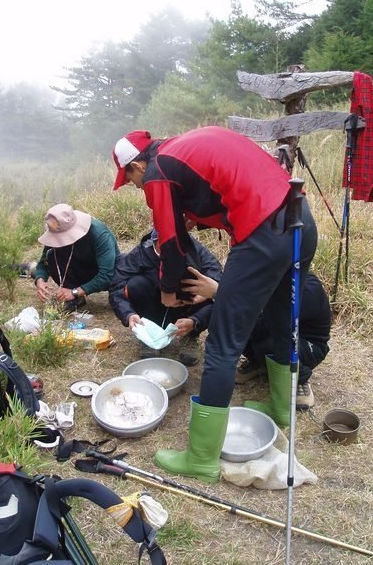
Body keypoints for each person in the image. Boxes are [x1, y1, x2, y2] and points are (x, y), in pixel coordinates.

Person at [112, 126, 318, 484]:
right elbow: (222, 186)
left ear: (137, 165)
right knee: (281, 316)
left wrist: (167, 289)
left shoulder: (157, 172)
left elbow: (171, 242)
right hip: (299, 218)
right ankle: (282, 409)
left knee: (223, 344)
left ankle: (201, 459)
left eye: (128, 177)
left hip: (261, 234)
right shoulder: (183, 147)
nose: (133, 185)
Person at [182, 268, 331, 409]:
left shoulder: (308, 289)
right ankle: (259, 363)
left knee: (266, 343)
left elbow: (270, 323)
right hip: (275, 329)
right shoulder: (266, 280)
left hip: (308, 345)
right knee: (239, 325)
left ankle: (300, 379)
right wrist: (196, 321)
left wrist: (220, 294)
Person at [109, 229, 222, 366]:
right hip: (156, 304)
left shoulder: (195, 249)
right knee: (136, 285)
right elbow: (117, 287)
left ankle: (190, 335)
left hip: (187, 305)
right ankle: (151, 334)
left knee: (210, 291)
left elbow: (219, 281)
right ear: (155, 243)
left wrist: (200, 302)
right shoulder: (141, 253)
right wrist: (128, 314)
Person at [33, 204, 119, 312]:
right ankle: (76, 299)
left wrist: (75, 291)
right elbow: (43, 263)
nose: (60, 240)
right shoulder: (57, 232)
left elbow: (107, 274)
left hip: (100, 272)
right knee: (51, 254)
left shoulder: (99, 234)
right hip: (77, 268)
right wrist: (40, 280)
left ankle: (77, 294)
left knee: (118, 298)